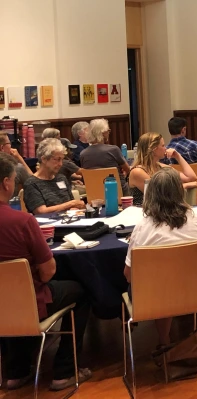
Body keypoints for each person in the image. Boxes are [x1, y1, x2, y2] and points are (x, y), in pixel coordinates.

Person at [0, 152, 92, 391]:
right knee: (83, 290)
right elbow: (49, 271)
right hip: (29, 298)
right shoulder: (22, 222)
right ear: (6, 183)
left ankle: (15, 372)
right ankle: (64, 370)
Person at [123, 168, 197, 348]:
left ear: (150, 195)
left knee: (158, 286)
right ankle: (195, 336)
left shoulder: (143, 228)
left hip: (154, 298)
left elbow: (129, 276)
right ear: (181, 191)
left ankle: (164, 342)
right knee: (172, 284)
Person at [128, 132, 197, 207]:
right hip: (142, 212)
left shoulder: (161, 167)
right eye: (163, 145)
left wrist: (178, 156)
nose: (166, 148)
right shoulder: (137, 172)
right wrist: (185, 185)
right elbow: (160, 194)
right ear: (154, 149)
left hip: (161, 211)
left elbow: (191, 178)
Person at [23, 139, 85, 214]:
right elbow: (41, 211)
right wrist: (70, 204)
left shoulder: (61, 178)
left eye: (62, 160)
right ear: (44, 159)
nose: (60, 164)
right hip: (47, 224)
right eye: (57, 160)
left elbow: (72, 205)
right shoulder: (32, 183)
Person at [80, 118, 130, 194]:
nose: (109, 133)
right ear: (103, 132)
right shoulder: (113, 150)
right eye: (108, 131)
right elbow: (127, 169)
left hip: (95, 194)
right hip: (117, 192)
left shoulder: (83, 153)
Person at [0, 132, 33, 196]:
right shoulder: (16, 168)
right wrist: (20, 158)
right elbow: (34, 183)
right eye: (9, 143)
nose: (11, 146)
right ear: (2, 148)